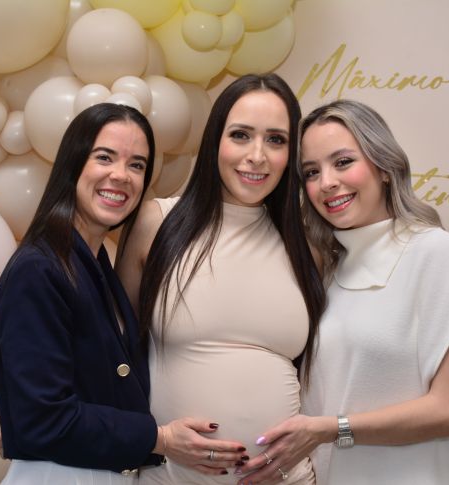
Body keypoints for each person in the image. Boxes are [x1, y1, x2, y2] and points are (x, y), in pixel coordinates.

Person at [0, 103, 248, 485]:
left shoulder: (93, 265)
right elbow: (43, 420)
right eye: (104, 157)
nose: (121, 175)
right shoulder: (39, 268)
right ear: (73, 164)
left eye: (136, 165)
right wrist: (161, 438)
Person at [235, 99, 449, 485]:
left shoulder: (433, 251)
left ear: (384, 167)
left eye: (342, 162)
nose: (327, 183)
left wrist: (329, 429)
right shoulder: (327, 271)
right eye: (311, 172)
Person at [116, 73, 324, 484]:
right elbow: (112, 352)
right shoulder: (156, 223)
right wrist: (154, 440)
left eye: (276, 140)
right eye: (241, 135)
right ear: (215, 141)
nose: (257, 156)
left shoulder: (308, 248)